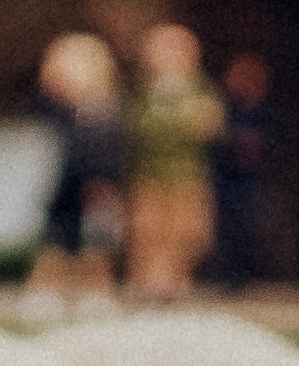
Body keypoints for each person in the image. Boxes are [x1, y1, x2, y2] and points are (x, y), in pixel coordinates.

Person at [27, 31, 130, 318]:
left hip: (99, 185)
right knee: (57, 240)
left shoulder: (106, 109)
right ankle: (45, 292)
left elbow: (110, 151)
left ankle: (97, 292)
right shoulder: (60, 110)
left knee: (97, 243)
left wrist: (104, 181)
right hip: (67, 184)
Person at [124, 23, 226, 303]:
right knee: (147, 231)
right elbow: (138, 127)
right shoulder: (143, 91)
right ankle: (148, 282)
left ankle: (175, 281)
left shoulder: (201, 87)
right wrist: (182, 124)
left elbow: (210, 125)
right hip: (148, 173)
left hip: (188, 174)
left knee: (186, 232)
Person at [205, 49, 284, 296]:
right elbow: (216, 138)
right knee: (224, 229)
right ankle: (224, 277)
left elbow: (271, 144)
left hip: (251, 181)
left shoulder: (265, 111)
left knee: (247, 228)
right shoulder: (225, 108)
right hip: (225, 179)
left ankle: (243, 278)